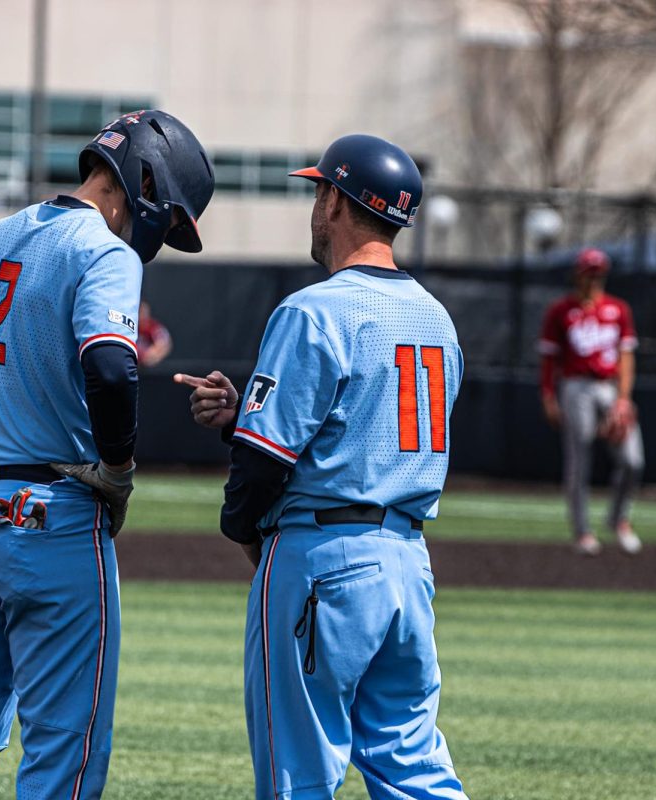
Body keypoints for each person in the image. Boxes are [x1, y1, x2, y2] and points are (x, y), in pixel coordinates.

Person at [0, 109, 214, 799]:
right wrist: (119, 468)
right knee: (65, 754)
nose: (161, 232)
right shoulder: (105, 251)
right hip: (50, 520)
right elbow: (112, 366)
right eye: (170, 212)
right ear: (146, 181)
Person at [175, 134, 468, 800]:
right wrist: (240, 416)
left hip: (324, 558)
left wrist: (243, 528)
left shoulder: (313, 310)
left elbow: (264, 458)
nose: (315, 204)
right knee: (413, 764)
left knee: (297, 773)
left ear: (336, 199)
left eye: (318, 191)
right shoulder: (436, 318)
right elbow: (362, 428)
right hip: (407, 565)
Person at [538, 248, 644, 556]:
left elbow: (626, 357)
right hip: (576, 386)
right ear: (578, 275)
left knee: (633, 460)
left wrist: (624, 399)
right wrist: (548, 395)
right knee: (579, 459)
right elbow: (548, 359)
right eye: (589, 273)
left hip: (609, 387)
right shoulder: (561, 311)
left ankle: (618, 518)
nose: (594, 279)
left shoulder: (618, 309)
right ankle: (582, 530)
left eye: (598, 273)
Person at [136, 300, 173, 367]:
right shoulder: (131, 328)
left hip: (152, 367)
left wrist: (151, 356)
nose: (142, 315)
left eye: (143, 312)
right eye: (139, 312)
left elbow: (164, 345)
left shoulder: (154, 327)